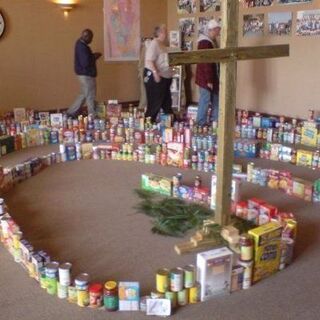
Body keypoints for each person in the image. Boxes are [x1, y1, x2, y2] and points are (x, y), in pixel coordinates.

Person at [67, 29, 102, 118]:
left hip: (83, 75)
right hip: (86, 75)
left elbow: (85, 59)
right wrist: (94, 56)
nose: (91, 40)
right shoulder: (82, 47)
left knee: (83, 94)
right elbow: (85, 62)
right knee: (90, 95)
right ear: (86, 36)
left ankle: (71, 112)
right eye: (91, 38)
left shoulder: (80, 44)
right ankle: (92, 116)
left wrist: (92, 56)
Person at [144, 24, 175, 123]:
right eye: (165, 31)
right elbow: (149, 61)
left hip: (165, 77)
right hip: (156, 76)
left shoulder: (162, 44)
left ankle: (170, 121)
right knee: (155, 101)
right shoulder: (154, 44)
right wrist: (155, 73)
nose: (166, 33)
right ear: (160, 33)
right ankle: (148, 122)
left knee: (166, 101)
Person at [195, 19, 221, 126]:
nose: (219, 33)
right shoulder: (205, 43)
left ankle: (215, 120)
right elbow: (206, 62)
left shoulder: (210, 41)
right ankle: (201, 123)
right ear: (213, 30)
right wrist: (209, 79)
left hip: (210, 77)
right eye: (218, 30)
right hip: (206, 78)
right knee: (205, 100)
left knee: (215, 98)